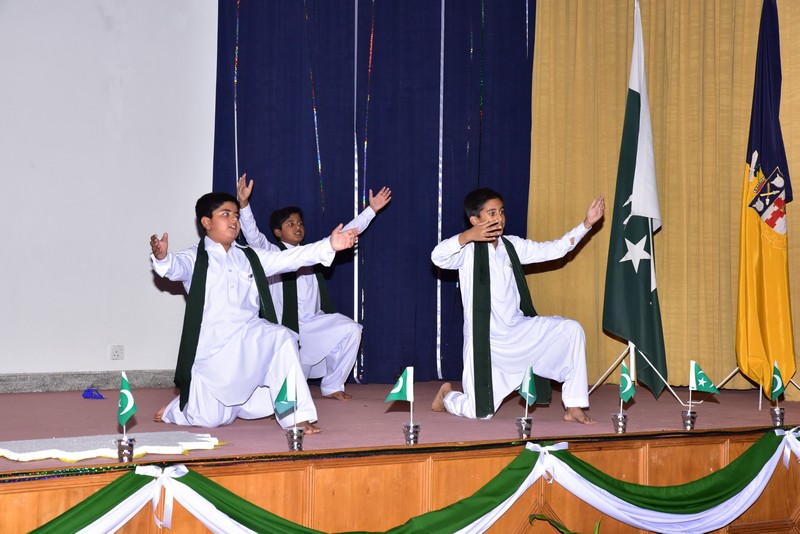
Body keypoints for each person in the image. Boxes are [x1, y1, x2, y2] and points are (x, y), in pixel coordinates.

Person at [150, 191, 358, 433]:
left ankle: (293, 416)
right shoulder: (194, 257)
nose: (234, 220)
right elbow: (175, 267)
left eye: (236, 215)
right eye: (225, 214)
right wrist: (162, 257)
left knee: (282, 337)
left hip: (249, 336)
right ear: (206, 222)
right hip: (214, 350)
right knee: (211, 419)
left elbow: (290, 258)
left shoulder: (250, 256)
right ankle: (177, 410)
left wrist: (329, 245)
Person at [430, 188, 604, 424]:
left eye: (501, 212)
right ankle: (448, 396)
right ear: (475, 220)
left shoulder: (512, 246)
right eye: (491, 213)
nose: (499, 218)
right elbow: (438, 257)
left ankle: (573, 406)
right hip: (487, 343)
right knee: (479, 413)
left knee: (571, 329)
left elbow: (555, 249)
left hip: (518, 332)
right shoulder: (466, 251)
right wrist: (467, 236)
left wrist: (586, 224)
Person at [236, 174, 392, 401]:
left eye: (300, 223)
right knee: (285, 394)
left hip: (313, 324)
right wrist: (243, 205)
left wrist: (372, 210)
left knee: (351, 330)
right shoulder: (270, 253)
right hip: (285, 330)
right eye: (290, 224)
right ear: (278, 232)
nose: (298, 227)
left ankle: (332, 386)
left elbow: (347, 232)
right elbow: (253, 236)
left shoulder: (313, 253)